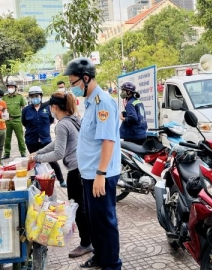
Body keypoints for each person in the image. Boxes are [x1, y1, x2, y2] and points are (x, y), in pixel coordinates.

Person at [63, 58, 122, 270]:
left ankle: (112, 265)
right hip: (89, 174)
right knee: (95, 221)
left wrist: (100, 174)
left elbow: (108, 141)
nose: (72, 87)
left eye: (73, 82)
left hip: (101, 175)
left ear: (85, 78)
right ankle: (100, 256)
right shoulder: (89, 102)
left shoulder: (103, 102)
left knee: (105, 222)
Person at [28, 92, 92, 258]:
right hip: (83, 167)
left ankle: (86, 243)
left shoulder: (62, 124)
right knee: (84, 206)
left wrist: (38, 158)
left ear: (54, 107)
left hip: (75, 170)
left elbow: (58, 153)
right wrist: (39, 152)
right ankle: (90, 240)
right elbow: (57, 143)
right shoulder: (73, 119)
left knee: (79, 208)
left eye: (50, 107)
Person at [21, 86, 67, 187]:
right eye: (32, 96)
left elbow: (51, 120)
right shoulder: (26, 110)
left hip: (45, 139)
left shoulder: (47, 108)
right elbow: (24, 122)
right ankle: (39, 182)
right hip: (31, 140)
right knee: (35, 161)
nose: (34, 98)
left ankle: (61, 180)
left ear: (41, 96)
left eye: (36, 96)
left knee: (53, 161)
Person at [2, 81, 27, 159]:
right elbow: (2, 108)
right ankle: (6, 153)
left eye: (12, 87)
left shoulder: (20, 97)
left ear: (15, 88)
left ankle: (23, 152)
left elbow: (24, 108)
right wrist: (4, 116)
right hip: (7, 120)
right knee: (7, 138)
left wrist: (24, 119)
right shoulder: (4, 97)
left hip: (17, 119)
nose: (10, 88)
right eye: (9, 87)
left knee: (20, 137)